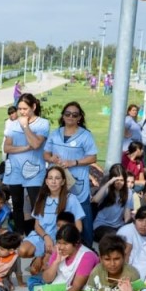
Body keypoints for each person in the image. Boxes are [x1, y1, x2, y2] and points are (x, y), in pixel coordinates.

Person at [45, 101, 99, 246]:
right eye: (67, 114)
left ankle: (87, 247)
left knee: (83, 215)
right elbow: (45, 154)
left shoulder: (85, 136)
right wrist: (51, 158)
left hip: (77, 182)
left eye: (74, 115)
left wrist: (74, 162)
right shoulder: (55, 134)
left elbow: (93, 158)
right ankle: (59, 245)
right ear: (63, 116)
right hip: (57, 182)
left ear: (79, 118)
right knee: (58, 213)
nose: (70, 117)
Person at [2, 93, 50, 234]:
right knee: (17, 204)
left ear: (33, 107)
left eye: (25, 109)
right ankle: (19, 234)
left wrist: (25, 127)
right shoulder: (12, 124)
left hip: (34, 170)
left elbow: (35, 144)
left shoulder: (43, 123)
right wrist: (25, 148)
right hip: (14, 170)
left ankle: (38, 234)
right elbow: (7, 147)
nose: (22, 112)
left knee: (36, 204)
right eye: (20, 109)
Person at [91, 164, 134, 241]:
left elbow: (127, 215)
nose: (119, 183)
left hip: (118, 226)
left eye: (122, 180)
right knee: (114, 236)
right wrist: (109, 183)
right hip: (101, 225)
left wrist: (129, 229)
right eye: (116, 180)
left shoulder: (128, 192)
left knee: (126, 236)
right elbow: (95, 200)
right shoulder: (107, 189)